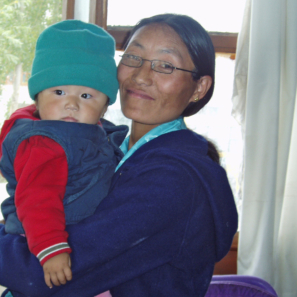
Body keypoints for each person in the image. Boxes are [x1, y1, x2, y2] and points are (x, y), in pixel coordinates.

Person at [0, 14, 238, 297]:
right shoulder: (109, 145)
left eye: (165, 65)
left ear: (199, 88)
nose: (140, 76)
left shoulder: (173, 180)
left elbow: (42, 275)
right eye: (133, 57)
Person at [0, 20, 127, 291]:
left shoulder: (92, 133)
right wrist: (51, 248)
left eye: (86, 95)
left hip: (69, 236)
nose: (71, 103)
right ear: (37, 97)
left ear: (104, 106)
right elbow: (37, 197)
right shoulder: (45, 143)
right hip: (45, 240)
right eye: (58, 92)